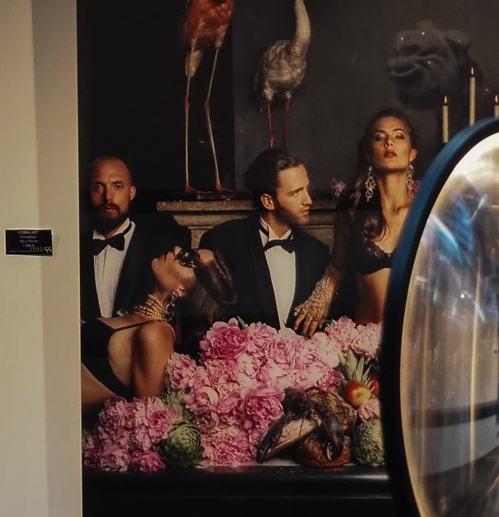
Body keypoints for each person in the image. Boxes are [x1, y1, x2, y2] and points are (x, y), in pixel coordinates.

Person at [293, 107, 419, 334]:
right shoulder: (353, 212)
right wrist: (319, 299)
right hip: (361, 341)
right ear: (368, 155)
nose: (389, 142)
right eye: (379, 137)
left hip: (412, 340)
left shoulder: (427, 212)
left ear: (412, 153)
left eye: (399, 136)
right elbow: (336, 266)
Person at [81, 242, 224, 411]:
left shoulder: (157, 334)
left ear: (182, 290)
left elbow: (146, 417)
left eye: (186, 259)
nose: (176, 249)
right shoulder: (139, 315)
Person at [199, 148, 328, 329]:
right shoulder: (222, 241)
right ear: (268, 201)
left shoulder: (317, 251)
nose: (308, 200)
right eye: (296, 192)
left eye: (306, 188)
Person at [80, 155, 186, 322]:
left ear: (131, 193)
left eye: (117, 186)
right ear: (88, 193)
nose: (108, 197)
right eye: (98, 187)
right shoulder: (74, 248)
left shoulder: (161, 248)